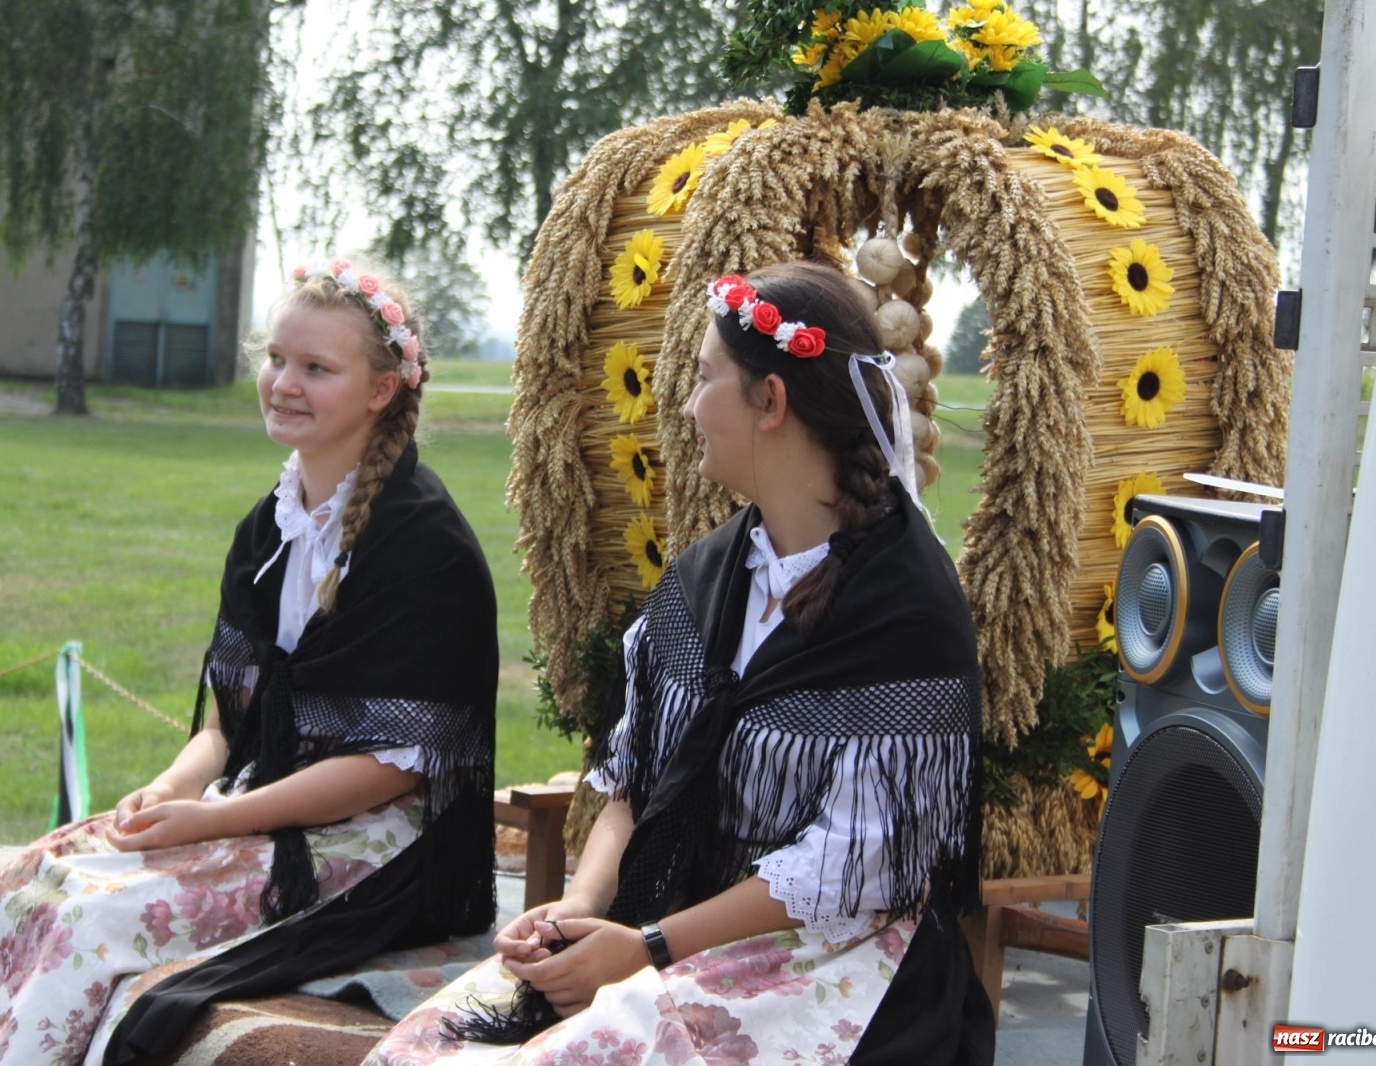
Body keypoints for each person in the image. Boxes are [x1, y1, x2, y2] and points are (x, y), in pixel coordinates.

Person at [0, 257, 499, 1066]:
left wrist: (211, 818)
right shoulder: (270, 530)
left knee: (82, 922)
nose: (283, 382)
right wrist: (174, 787)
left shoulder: (424, 548)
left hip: (378, 850)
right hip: (255, 802)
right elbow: (228, 723)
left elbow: (389, 771)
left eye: (317, 368)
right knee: (22, 886)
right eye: (277, 358)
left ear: (382, 391)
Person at [371, 259, 991, 1066]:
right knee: (424, 1048)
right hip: (665, 927)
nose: (687, 405)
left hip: (830, 960)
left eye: (705, 379)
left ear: (771, 401)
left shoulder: (906, 610)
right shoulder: (704, 579)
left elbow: (850, 867)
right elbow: (638, 782)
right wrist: (581, 910)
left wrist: (648, 947)